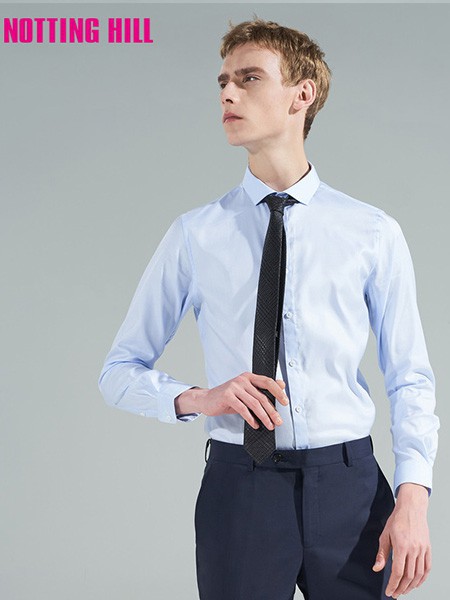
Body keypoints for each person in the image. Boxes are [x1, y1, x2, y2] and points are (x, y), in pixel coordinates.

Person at [98, 18, 439, 600]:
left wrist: (414, 499)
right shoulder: (195, 235)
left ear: (302, 94)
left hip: (351, 491)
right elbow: (117, 372)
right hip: (242, 490)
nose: (228, 94)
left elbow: (410, 377)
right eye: (223, 82)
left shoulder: (371, 232)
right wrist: (200, 398)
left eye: (249, 78)